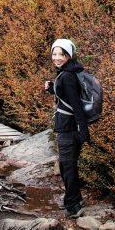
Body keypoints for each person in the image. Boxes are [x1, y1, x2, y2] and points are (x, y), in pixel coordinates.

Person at [43, 38, 89, 216]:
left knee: (67, 166)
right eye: (54, 54)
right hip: (69, 127)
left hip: (69, 129)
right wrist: (53, 89)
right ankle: (76, 198)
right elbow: (68, 97)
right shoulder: (68, 72)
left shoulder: (67, 76)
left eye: (61, 54)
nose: (56, 57)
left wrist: (83, 130)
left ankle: (72, 205)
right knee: (69, 166)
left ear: (69, 56)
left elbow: (76, 104)